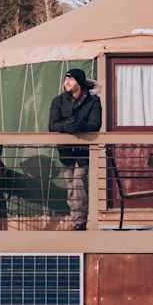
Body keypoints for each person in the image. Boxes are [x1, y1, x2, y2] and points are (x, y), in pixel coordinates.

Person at [48, 68, 101, 229]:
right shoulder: (58, 101)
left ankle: (80, 222)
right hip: (65, 151)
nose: (67, 83)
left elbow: (95, 124)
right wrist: (67, 125)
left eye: (70, 79)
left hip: (83, 151)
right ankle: (77, 219)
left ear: (79, 82)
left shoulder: (92, 101)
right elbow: (52, 125)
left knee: (78, 183)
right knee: (71, 185)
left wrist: (78, 125)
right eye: (65, 79)